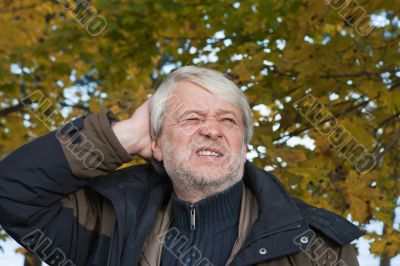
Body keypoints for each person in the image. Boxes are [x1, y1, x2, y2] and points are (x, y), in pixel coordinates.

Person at [0, 66, 362, 266]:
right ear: (155, 143)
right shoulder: (107, 221)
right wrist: (123, 136)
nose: (212, 129)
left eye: (228, 121)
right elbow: (10, 192)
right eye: (191, 118)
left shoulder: (315, 246)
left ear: (244, 144)